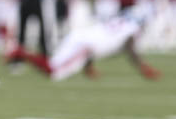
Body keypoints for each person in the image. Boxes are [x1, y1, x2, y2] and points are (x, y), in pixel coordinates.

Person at [8, 8, 160, 82]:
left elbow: (102, 41)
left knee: (53, 67)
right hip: (84, 45)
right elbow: (130, 47)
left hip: (81, 39)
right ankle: (22, 53)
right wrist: (142, 67)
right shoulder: (133, 29)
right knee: (54, 72)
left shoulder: (123, 22)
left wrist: (88, 66)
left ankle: (22, 53)